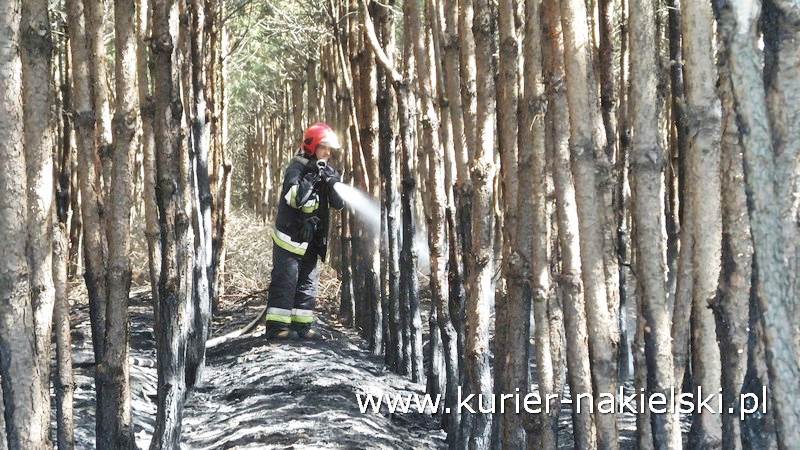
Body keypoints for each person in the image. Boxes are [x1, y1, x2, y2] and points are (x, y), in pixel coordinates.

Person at [264, 122, 345, 340]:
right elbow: (293, 198)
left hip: (311, 240)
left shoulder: (326, 170)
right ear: (312, 146)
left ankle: (302, 327)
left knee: (307, 283)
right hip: (290, 239)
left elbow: (338, 203)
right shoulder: (297, 168)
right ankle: (277, 328)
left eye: (330, 149)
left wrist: (332, 182)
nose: (328, 153)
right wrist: (311, 180)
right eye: (323, 147)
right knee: (286, 281)